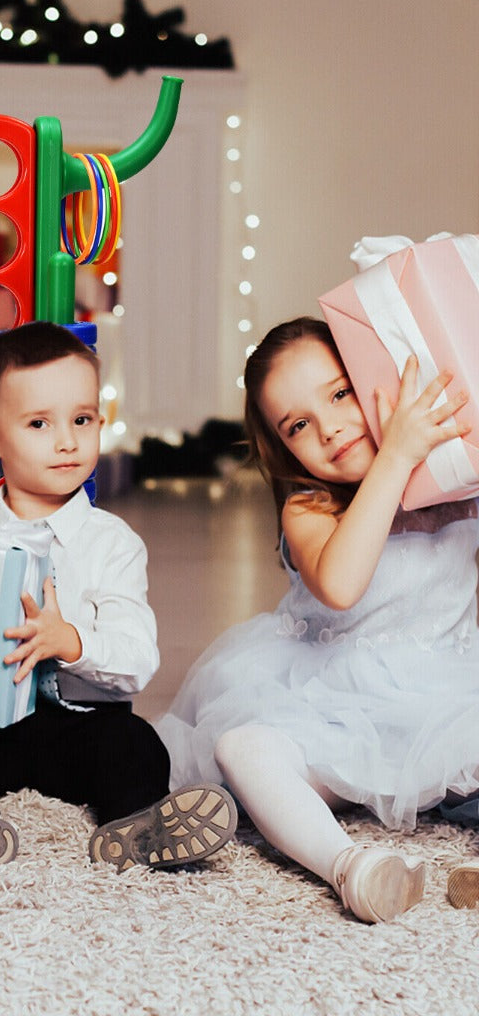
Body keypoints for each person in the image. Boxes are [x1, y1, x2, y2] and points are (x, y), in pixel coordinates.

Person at [0, 321, 236, 870]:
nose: (67, 440)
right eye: (39, 423)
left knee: (137, 744)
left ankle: (137, 828)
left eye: (82, 420)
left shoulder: (111, 543)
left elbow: (138, 660)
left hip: (79, 725)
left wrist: (70, 641)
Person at [156, 316, 479, 922]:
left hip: (445, 697)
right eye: (298, 425)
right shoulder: (307, 507)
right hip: (330, 702)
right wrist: (396, 455)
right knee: (243, 748)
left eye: (341, 393)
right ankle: (351, 868)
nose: (329, 428)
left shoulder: (454, 485)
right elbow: (339, 583)